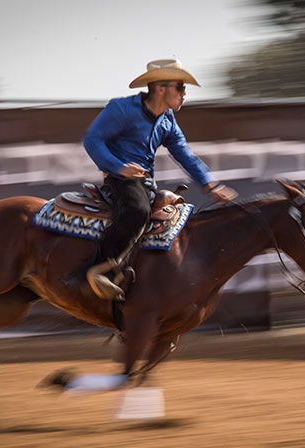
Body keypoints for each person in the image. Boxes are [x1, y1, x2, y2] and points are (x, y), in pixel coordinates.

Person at [81, 58, 237, 300]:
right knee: (138, 211)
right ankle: (98, 269)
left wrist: (210, 184)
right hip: (120, 180)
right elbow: (92, 140)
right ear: (161, 88)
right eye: (180, 88)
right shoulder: (121, 109)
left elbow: (185, 155)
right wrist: (119, 168)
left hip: (145, 183)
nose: (184, 94)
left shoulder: (167, 120)